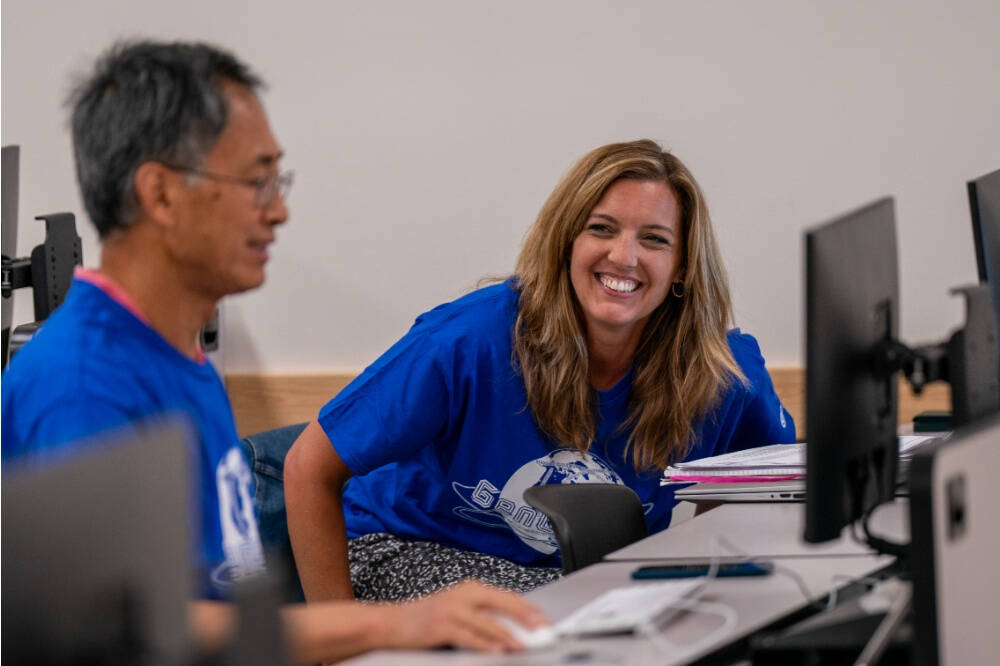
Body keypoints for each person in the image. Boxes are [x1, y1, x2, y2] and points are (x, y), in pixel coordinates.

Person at [0, 40, 546, 662]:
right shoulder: (83, 382)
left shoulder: (177, 354)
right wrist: (388, 626)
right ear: (161, 194)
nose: (279, 209)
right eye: (256, 181)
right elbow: (126, 628)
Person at [284, 139, 797, 604]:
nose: (624, 256)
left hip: (581, 579)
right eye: (602, 229)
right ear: (565, 241)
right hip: (401, 547)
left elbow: (768, 500)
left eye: (655, 240)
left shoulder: (724, 374)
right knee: (574, 609)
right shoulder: (467, 340)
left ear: (683, 266)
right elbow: (308, 466)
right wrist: (338, 644)